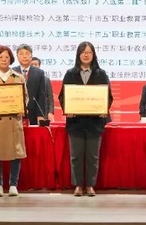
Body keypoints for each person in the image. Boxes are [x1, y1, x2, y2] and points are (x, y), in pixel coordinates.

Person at [58, 41, 114, 197]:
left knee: (92, 156)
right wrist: (67, 109)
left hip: (95, 123)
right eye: (83, 52)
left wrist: (104, 109)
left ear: (93, 54)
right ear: (78, 55)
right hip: (75, 123)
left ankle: (90, 185)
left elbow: (108, 96)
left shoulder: (101, 74)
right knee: (76, 156)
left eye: (89, 52)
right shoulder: (70, 74)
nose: (86, 55)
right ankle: (78, 185)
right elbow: (62, 96)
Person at [0, 45, 28, 197]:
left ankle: (13, 185)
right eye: (0, 57)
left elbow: (25, 97)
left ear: (11, 59)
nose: (4, 59)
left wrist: (22, 106)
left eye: (7, 57)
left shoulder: (18, 77)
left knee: (16, 153)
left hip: (13, 121)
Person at [13, 45, 49, 125]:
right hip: (16, 114)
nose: (24, 56)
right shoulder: (12, 72)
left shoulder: (39, 73)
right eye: (21, 54)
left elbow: (41, 96)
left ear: (31, 56)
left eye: (27, 53)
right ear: (17, 57)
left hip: (34, 113)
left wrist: (40, 115)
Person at [32, 57, 55, 122]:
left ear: (39, 66)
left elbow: (50, 99)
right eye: (32, 65)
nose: (34, 66)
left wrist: (50, 112)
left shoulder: (46, 80)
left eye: (36, 64)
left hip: (43, 113)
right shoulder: (26, 79)